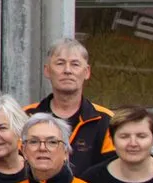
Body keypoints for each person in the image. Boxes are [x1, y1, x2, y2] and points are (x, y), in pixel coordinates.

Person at [34, 37, 115, 172]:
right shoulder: (27, 116)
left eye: (75, 64)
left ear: (87, 72)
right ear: (47, 70)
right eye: (60, 63)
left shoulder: (106, 120)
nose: (67, 70)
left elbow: (111, 171)